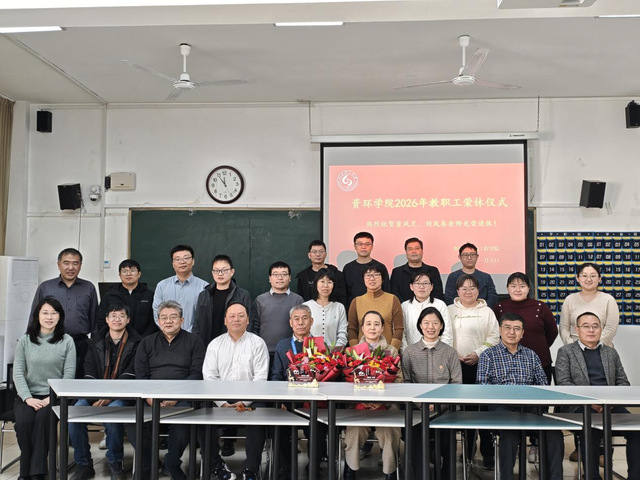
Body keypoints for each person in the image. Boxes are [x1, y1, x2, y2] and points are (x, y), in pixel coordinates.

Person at [476, 313, 564, 480]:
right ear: (500, 330)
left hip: (530, 408)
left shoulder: (532, 355)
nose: (512, 332)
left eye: (517, 329)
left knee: (554, 434)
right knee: (509, 434)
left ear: (522, 333)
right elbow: (482, 386)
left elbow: (543, 385)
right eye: (507, 328)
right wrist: (507, 395)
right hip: (502, 408)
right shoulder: (488, 355)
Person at [555, 311, 640, 480]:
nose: (591, 330)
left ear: (601, 329)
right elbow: (564, 383)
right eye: (586, 326)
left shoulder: (611, 353)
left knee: (636, 430)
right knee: (591, 430)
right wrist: (591, 402)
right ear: (577, 329)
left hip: (611, 406)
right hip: (580, 406)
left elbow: (623, 382)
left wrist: (610, 402)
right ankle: (592, 476)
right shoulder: (566, 352)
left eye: (595, 326)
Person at [134, 300, 207, 480]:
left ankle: (171, 463)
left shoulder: (194, 341)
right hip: (151, 397)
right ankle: (149, 464)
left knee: (183, 427)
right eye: (164, 317)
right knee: (134, 424)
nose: (168, 321)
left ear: (182, 320)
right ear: (158, 321)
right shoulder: (147, 342)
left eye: (173, 317)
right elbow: (141, 375)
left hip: (183, 397)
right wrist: (151, 398)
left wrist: (176, 397)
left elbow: (196, 373)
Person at [69, 304, 142, 480]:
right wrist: (98, 396)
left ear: (128, 320)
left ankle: (115, 462)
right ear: (107, 320)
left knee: (113, 415)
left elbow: (130, 375)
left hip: (122, 395)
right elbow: (89, 372)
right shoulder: (95, 342)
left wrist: (109, 397)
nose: (117, 319)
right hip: (94, 394)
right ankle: (83, 464)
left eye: (122, 316)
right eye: (113, 315)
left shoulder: (137, 343)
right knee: (74, 415)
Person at [203, 302, 269, 480]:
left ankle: (250, 469)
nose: (236, 319)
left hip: (251, 400)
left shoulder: (258, 343)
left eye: (241, 316)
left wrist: (244, 402)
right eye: (232, 316)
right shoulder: (215, 344)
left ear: (248, 320)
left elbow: (260, 378)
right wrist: (222, 402)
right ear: (225, 320)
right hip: (220, 399)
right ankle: (216, 466)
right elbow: (209, 377)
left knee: (259, 419)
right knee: (201, 420)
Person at [14, 297, 76, 480]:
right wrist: (27, 398)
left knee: (42, 420)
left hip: (55, 395)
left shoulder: (67, 341)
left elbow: (69, 375)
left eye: (54, 313)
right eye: (45, 313)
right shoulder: (25, 340)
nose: (49, 317)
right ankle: (28, 470)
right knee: (24, 423)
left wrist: (52, 397)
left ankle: (36, 473)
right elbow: (18, 372)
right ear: (37, 316)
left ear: (60, 316)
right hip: (27, 395)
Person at [402, 306, 461, 480]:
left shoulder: (450, 353)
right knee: (416, 437)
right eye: (426, 323)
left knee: (447, 438)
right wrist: (422, 404)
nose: (431, 327)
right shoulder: (409, 352)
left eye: (435, 323)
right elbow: (406, 383)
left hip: (445, 410)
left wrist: (439, 404)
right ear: (420, 325)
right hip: (417, 411)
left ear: (441, 326)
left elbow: (456, 384)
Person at [448, 273, 499, 470]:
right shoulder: (449, 310)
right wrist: (454, 354)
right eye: (464, 288)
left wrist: (478, 353)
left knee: (483, 411)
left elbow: (494, 337)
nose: (468, 291)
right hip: (456, 366)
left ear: (478, 291)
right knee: (465, 412)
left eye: (472, 288)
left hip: (482, 365)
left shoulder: (487, 312)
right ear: (457, 291)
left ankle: (488, 453)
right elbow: (444, 334)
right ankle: (467, 451)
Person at [271, 304, 327, 479]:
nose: (300, 323)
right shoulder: (282, 345)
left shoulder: (320, 345)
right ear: (290, 323)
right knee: (279, 427)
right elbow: (276, 376)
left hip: (314, 401)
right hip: (289, 401)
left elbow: (327, 376)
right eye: (296, 319)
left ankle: (314, 467)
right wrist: (280, 401)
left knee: (318, 428)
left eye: (304, 318)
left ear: (311, 321)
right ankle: (285, 467)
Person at [343, 311, 402, 480]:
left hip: (387, 406)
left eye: (377, 324)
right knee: (355, 430)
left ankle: (390, 471)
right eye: (368, 324)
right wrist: (362, 401)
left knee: (389, 431)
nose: (372, 328)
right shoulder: (352, 352)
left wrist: (382, 402)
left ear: (382, 328)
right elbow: (345, 383)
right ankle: (350, 469)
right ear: (362, 328)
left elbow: (399, 381)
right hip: (358, 405)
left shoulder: (392, 351)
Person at [30, 247, 97, 378]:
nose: (70, 267)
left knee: (78, 380)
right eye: (66, 263)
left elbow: (94, 319)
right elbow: (35, 317)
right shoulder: (46, 287)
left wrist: (95, 346)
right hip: (51, 341)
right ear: (59, 264)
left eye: (75, 263)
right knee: (52, 379)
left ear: (80, 266)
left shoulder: (89, 287)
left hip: (80, 344)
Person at [250, 261, 303, 365]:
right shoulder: (260, 300)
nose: (280, 278)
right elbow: (255, 327)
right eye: (275, 274)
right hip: (264, 352)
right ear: (270, 278)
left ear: (290, 278)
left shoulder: (298, 300)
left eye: (284, 274)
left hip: (291, 353)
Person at [193, 254, 252, 347]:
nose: (220, 274)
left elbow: (249, 323)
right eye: (216, 271)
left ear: (232, 272)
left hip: (234, 345)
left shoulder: (242, 295)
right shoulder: (204, 295)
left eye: (224, 270)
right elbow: (197, 323)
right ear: (212, 273)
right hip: (207, 344)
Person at [559, 262, 619, 347]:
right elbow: (564, 328)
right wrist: (574, 347)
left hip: (602, 348)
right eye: (584, 276)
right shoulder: (570, 299)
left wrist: (593, 347)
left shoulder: (609, 300)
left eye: (593, 276)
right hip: (574, 349)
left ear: (599, 278)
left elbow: (611, 329)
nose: (588, 279)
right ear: (577, 278)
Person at [152, 244, 208, 332]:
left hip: (194, 336)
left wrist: (188, 334)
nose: (182, 262)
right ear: (173, 264)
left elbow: (204, 316)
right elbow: (157, 312)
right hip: (167, 336)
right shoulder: (162, 286)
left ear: (193, 261)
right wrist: (169, 331)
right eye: (177, 259)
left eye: (186, 258)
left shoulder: (204, 287)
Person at [347, 265, 403, 350]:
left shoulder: (393, 299)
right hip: (362, 353)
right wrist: (356, 350)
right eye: (368, 275)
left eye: (376, 275)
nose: (372, 279)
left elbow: (399, 329)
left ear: (382, 278)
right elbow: (352, 329)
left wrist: (392, 350)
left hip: (387, 351)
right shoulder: (356, 301)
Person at [96, 258, 157, 337]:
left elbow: (153, 320)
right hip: (116, 340)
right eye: (124, 271)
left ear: (139, 274)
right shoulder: (110, 295)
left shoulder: (149, 295)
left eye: (132, 270)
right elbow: (101, 319)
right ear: (120, 275)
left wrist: (144, 339)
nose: (128, 274)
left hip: (143, 339)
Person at [402, 271, 452, 350]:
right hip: (412, 353)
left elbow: (447, 333)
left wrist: (443, 353)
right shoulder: (404, 306)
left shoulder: (440, 305)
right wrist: (407, 353)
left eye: (425, 283)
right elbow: (402, 333)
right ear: (411, 286)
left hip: (438, 352)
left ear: (431, 287)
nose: (422, 287)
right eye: (418, 283)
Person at [303, 268, 348, 348]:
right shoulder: (306, 306)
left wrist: (335, 350)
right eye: (322, 281)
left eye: (329, 282)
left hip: (334, 353)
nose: (326, 286)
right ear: (316, 284)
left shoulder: (339, 307)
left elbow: (342, 333)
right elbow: (302, 331)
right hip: (311, 353)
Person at [342, 232, 390, 305]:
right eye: (360, 244)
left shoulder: (380, 267)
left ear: (372, 247)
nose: (363, 247)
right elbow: (344, 293)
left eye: (367, 244)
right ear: (355, 246)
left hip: (377, 306)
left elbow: (387, 291)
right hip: (354, 307)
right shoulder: (348, 268)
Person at [391, 237, 444, 303]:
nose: (414, 251)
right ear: (406, 252)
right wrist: (406, 306)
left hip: (429, 307)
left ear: (422, 251)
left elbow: (438, 293)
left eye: (417, 248)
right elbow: (395, 294)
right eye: (410, 249)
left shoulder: (433, 271)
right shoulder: (397, 272)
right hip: (403, 308)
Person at [296, 240, 347, 307]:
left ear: (325, 254)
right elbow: (301, 299)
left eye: (321, 251)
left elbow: (342, 297)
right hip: (309, 311)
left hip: (332, 310)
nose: (318, 254)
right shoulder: (303, 276)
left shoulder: (336, 274)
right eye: (314, 252)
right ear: (309, 255)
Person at [444, 243, 498, 308]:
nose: (469, 257)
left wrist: (482, 309)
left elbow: (492, 297)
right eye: (465, 255)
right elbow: (449, 298)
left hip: (482, 311)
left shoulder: (486, 277)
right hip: (459, 311)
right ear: (460, 257)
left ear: (477, 256)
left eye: (472, 254)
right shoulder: (453, 276)